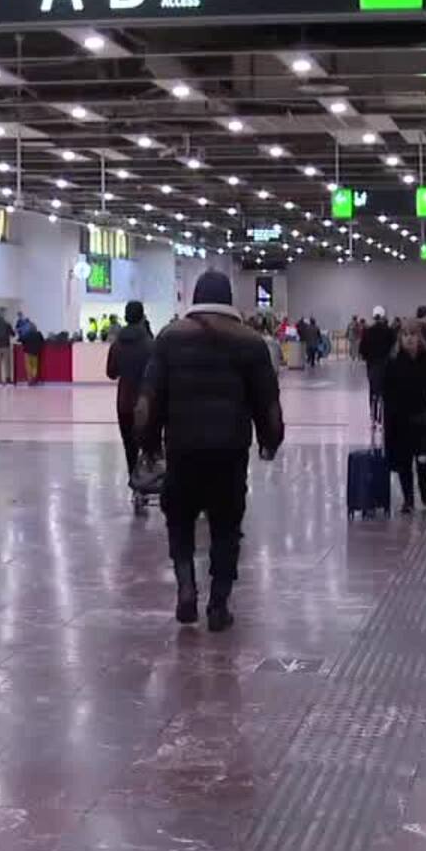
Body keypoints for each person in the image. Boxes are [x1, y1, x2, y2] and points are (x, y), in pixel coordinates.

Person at [137, 270, 284, 633]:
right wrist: (270, 441)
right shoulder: (250, 342)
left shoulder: (169, 338)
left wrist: (150, 444)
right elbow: (268, 403)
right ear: (229, 299)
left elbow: (147, 402)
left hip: (183, 449)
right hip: (229, 452)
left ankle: (186, 586)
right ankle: (219, 604)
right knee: (226, 527)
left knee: (180, 521)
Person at [382, 321, 426, 513]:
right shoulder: (393, 362)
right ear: (400, 338)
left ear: (419, 338)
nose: (409, 339)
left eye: (413, 335)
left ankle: (425, 491)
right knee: (404, 461)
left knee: (424, 458)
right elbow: (386, 391)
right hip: (401, 419)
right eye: (405, 335)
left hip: (423, 416)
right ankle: (408, 498)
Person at [105, 300, 156, 478]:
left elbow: (111, 373)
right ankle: (149, 480)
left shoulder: (117, 345)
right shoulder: (151, 344)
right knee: (149, 445)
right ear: (142, 317)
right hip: (146, 402)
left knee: (129, 446)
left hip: (124, 402)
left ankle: (133, 479)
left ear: (125, 317)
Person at [358, 306, 397, 422]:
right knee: (386, 390)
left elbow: (362, 349)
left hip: (372, 365)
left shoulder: (368, 331)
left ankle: (373, 413)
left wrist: (367, 357)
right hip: (386, 365)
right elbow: (394, 346)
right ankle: (383, 414)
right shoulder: (389, 331)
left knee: (373, 389)